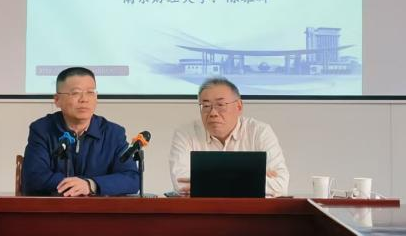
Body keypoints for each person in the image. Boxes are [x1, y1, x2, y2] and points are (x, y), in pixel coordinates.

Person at [21, 67, 140, 196]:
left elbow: (132, 179)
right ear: (57, 100)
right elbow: (33, 178)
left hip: (100, 208)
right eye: (75, 93)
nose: (84, 99)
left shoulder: (113, 133)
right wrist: (76, 186)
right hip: (55, 207)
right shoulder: (42, 130)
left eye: (90, 92)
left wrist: (90, 184)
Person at [169, 78, 289, 197]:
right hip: (203, 208)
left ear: (239, 106)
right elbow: (181, 185)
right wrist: (253, 179)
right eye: (206, 106)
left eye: (220, 105)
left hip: (249, 209)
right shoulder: (185, 134)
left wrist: (205, 182)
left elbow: (281, 185)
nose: (213, 113)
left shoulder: (259, 132)